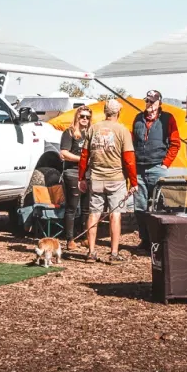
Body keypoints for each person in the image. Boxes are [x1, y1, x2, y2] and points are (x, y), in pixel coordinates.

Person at [79, 99, 137, 263]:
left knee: (94, 214)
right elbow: (129, 159)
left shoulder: (93, 128)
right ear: (118, 112)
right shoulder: (122, 130)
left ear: (105, 111)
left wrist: (81, 177)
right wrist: (133, 181)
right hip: (116, 179)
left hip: (96, 178)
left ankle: (90, 252)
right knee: (115, 215)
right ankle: (113, 253)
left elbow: (84, 156)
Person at [130, 90, 182, 249]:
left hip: (158, 167)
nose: (150, 105)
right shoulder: (138, 119)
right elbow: (132, 143)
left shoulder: (168, 119)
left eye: (152, 102)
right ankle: (145, 239)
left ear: (159, 103)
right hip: (139, 169)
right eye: (147, 102)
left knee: (161, 205)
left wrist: (165, 164)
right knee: (139, 206)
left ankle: (160, 239)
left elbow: (175, 143)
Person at [59, 105, 92, 237]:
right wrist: (82, 159)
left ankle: (84, 236)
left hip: (88, 173)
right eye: (82, 116)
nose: (84, 119)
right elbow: (64, 153)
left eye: (87, 117)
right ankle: (70, 238)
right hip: (72, 172)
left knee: (86, 208)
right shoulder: (70, 132)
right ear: (77, 117)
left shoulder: (91, 133)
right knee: (72, 207)